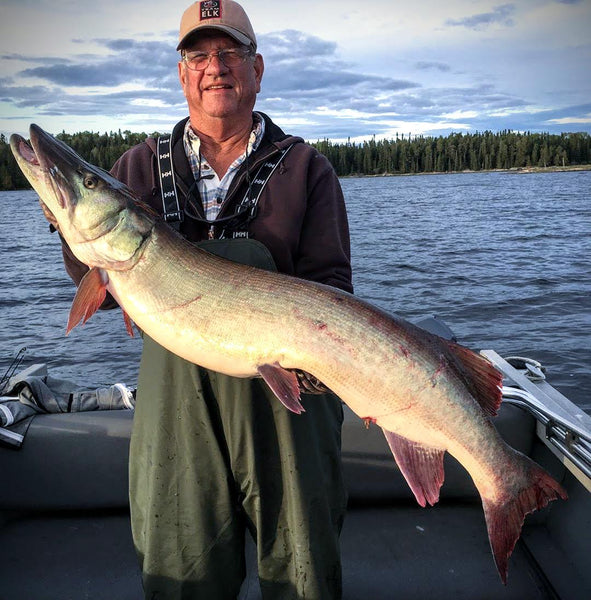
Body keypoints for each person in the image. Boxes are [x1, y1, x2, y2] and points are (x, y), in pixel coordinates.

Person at [59, 1, 352, 598]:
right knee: (182, 570)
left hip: (286, 410)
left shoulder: (306, 170)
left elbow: (333, 294)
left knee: (303, 573)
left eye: (230, 52)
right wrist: (65, 224)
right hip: (179, 412)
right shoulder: (137, 167)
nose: (214, 67)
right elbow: (101, 285)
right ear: (182, 73)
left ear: (257, 68)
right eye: (198, 55)